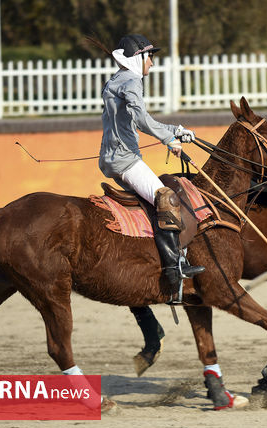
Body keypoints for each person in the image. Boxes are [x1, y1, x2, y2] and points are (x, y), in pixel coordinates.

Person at [98, 34, 204, 298]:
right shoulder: (132, 81)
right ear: (139, 58)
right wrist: (169, 139)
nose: (153, 64)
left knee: (154, 199)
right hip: (125, 159)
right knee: (166, 197)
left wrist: (175, 130)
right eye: (151, 58)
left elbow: (136, 120)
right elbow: (141, 120)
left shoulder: (117, 79)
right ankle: (173, 267)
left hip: (112, 158)